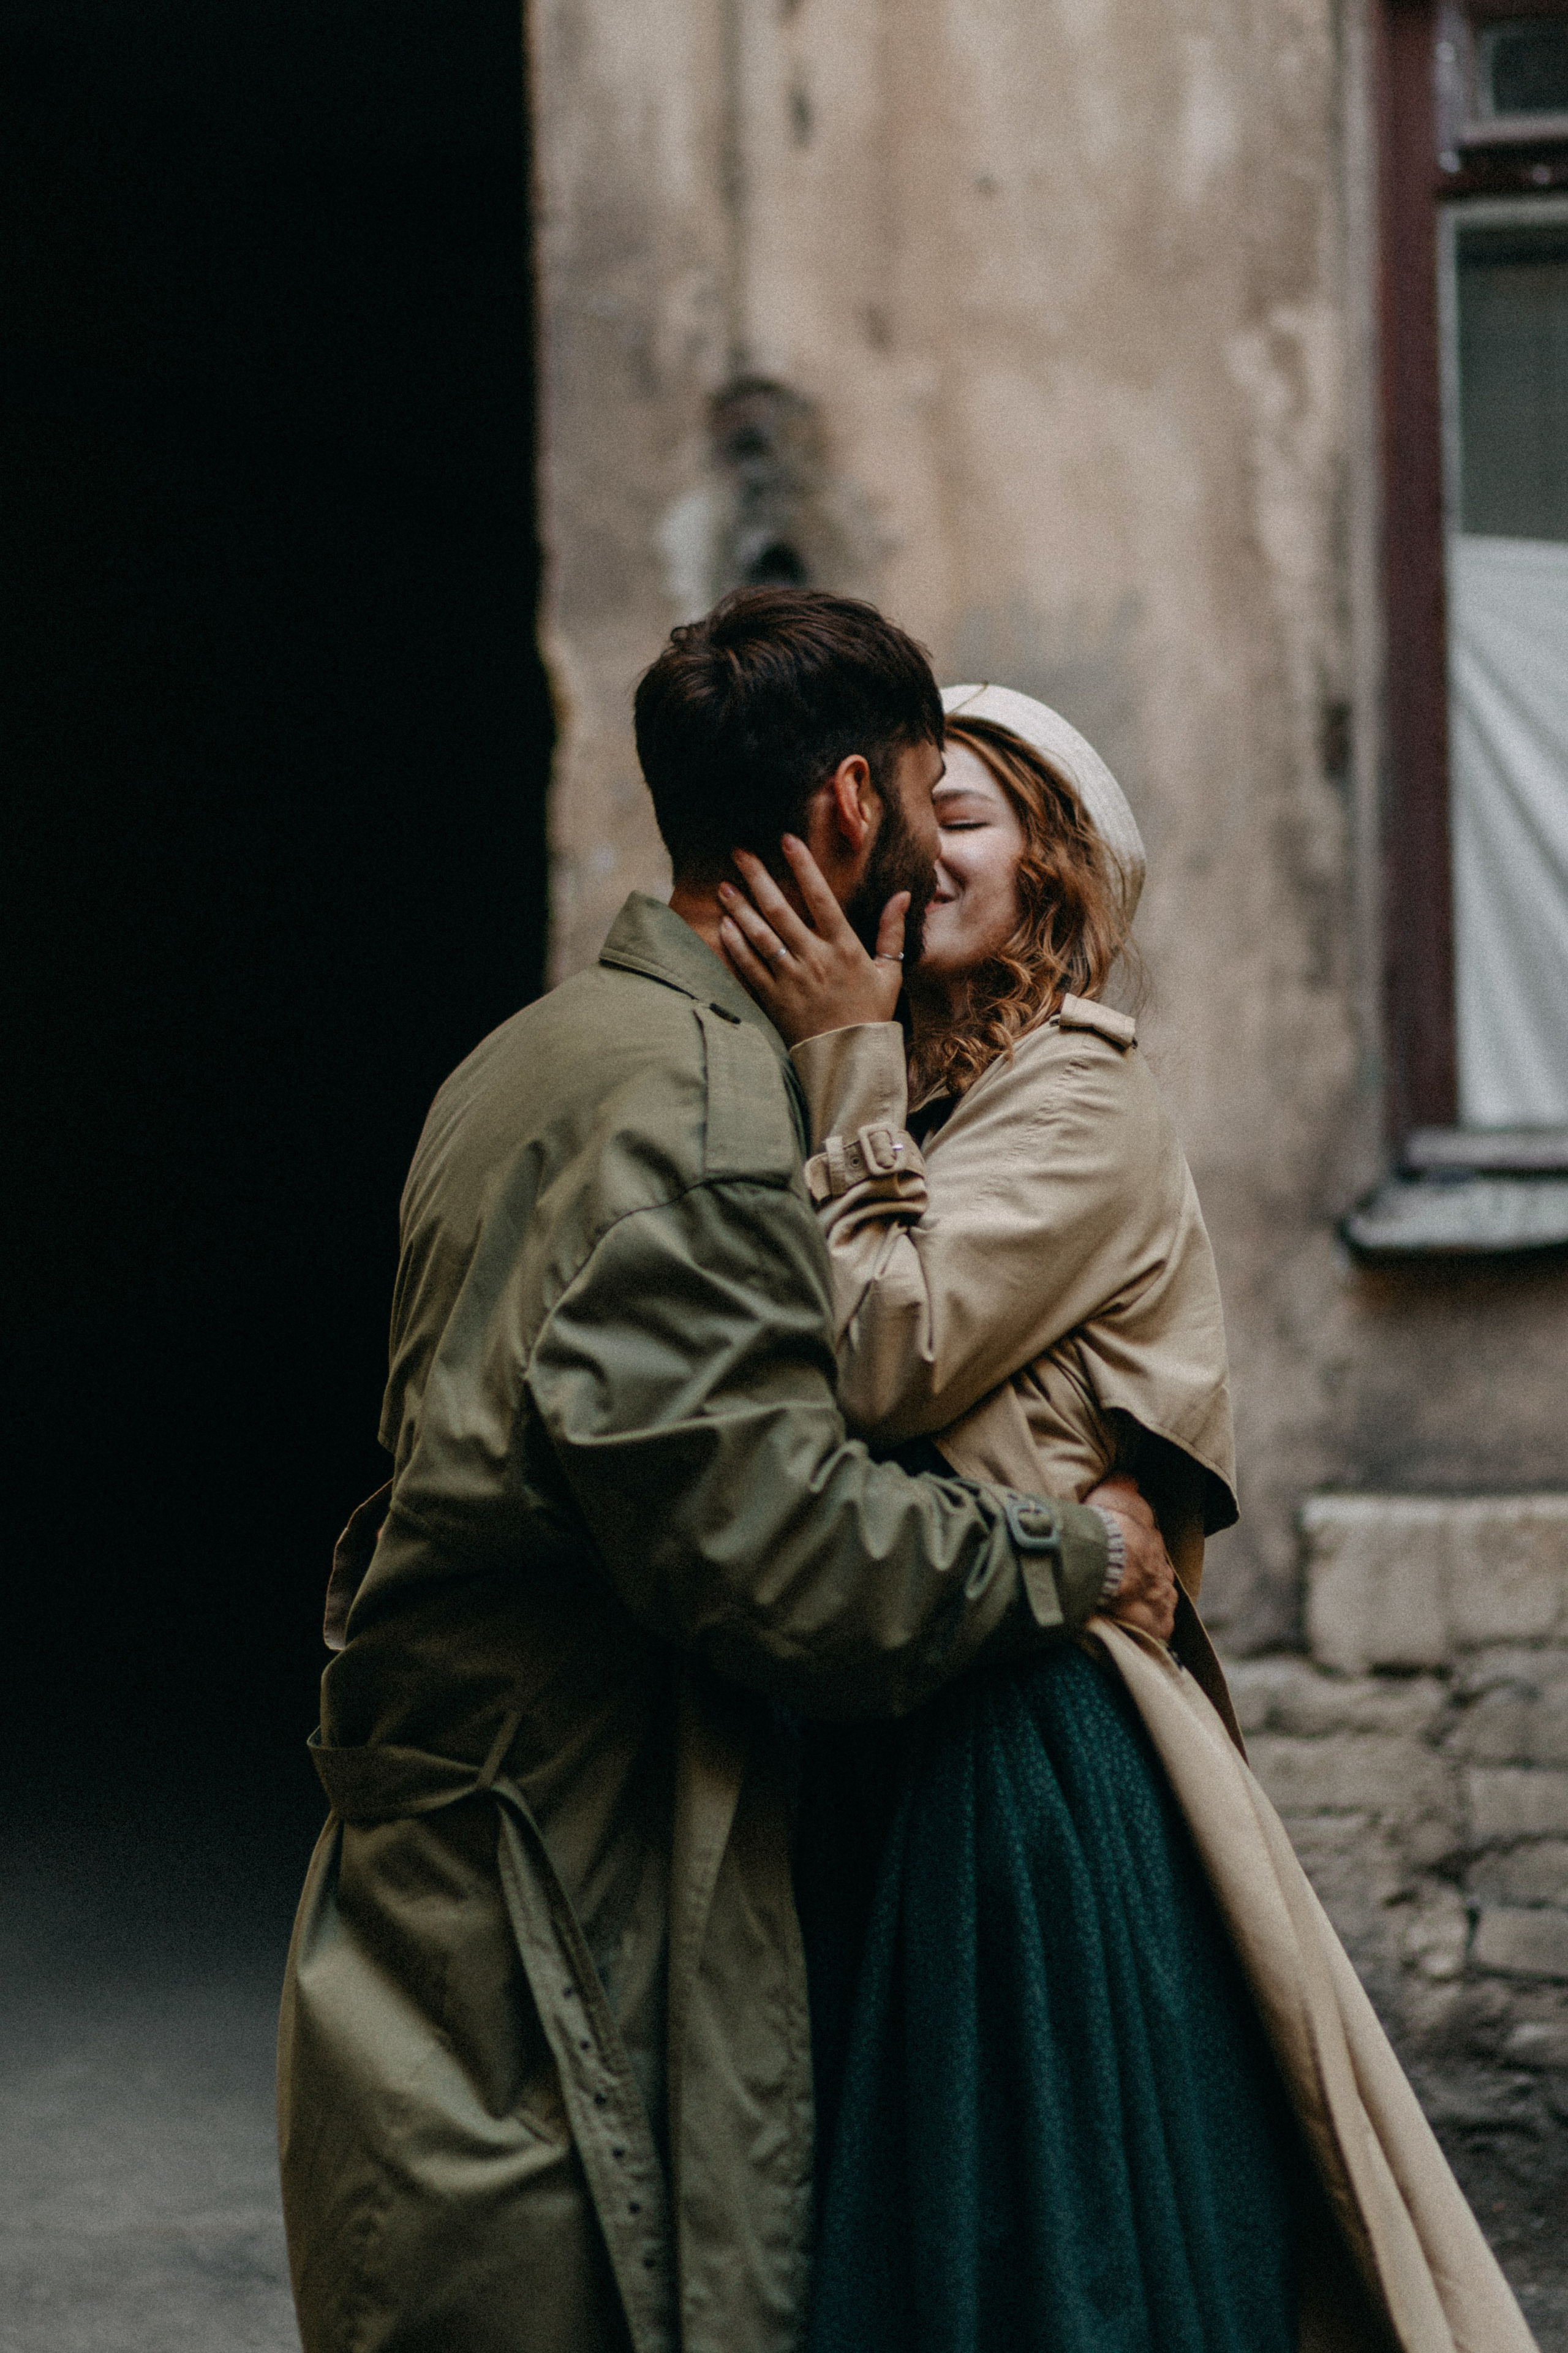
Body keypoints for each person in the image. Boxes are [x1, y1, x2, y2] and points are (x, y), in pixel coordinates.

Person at [275, 595, 1177, 2353]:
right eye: (927, 794)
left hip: (459, 1857)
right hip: (561, 1899)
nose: (932, 841)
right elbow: (790, 1561)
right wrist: (1071, 1553)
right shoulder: (697, 1107)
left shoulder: (525, 1053)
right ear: (853, 807)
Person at [718, 683, 1536, 2353]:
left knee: (1029, 2243)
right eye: (907, 817)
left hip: (1022, 1750)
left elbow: (882, 1356)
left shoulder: (1074, 1096)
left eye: (973, 818)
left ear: (1056, 868)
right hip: (914, 1700)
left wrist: (838, 1065)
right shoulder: (931, 1094)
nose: (931, 851)